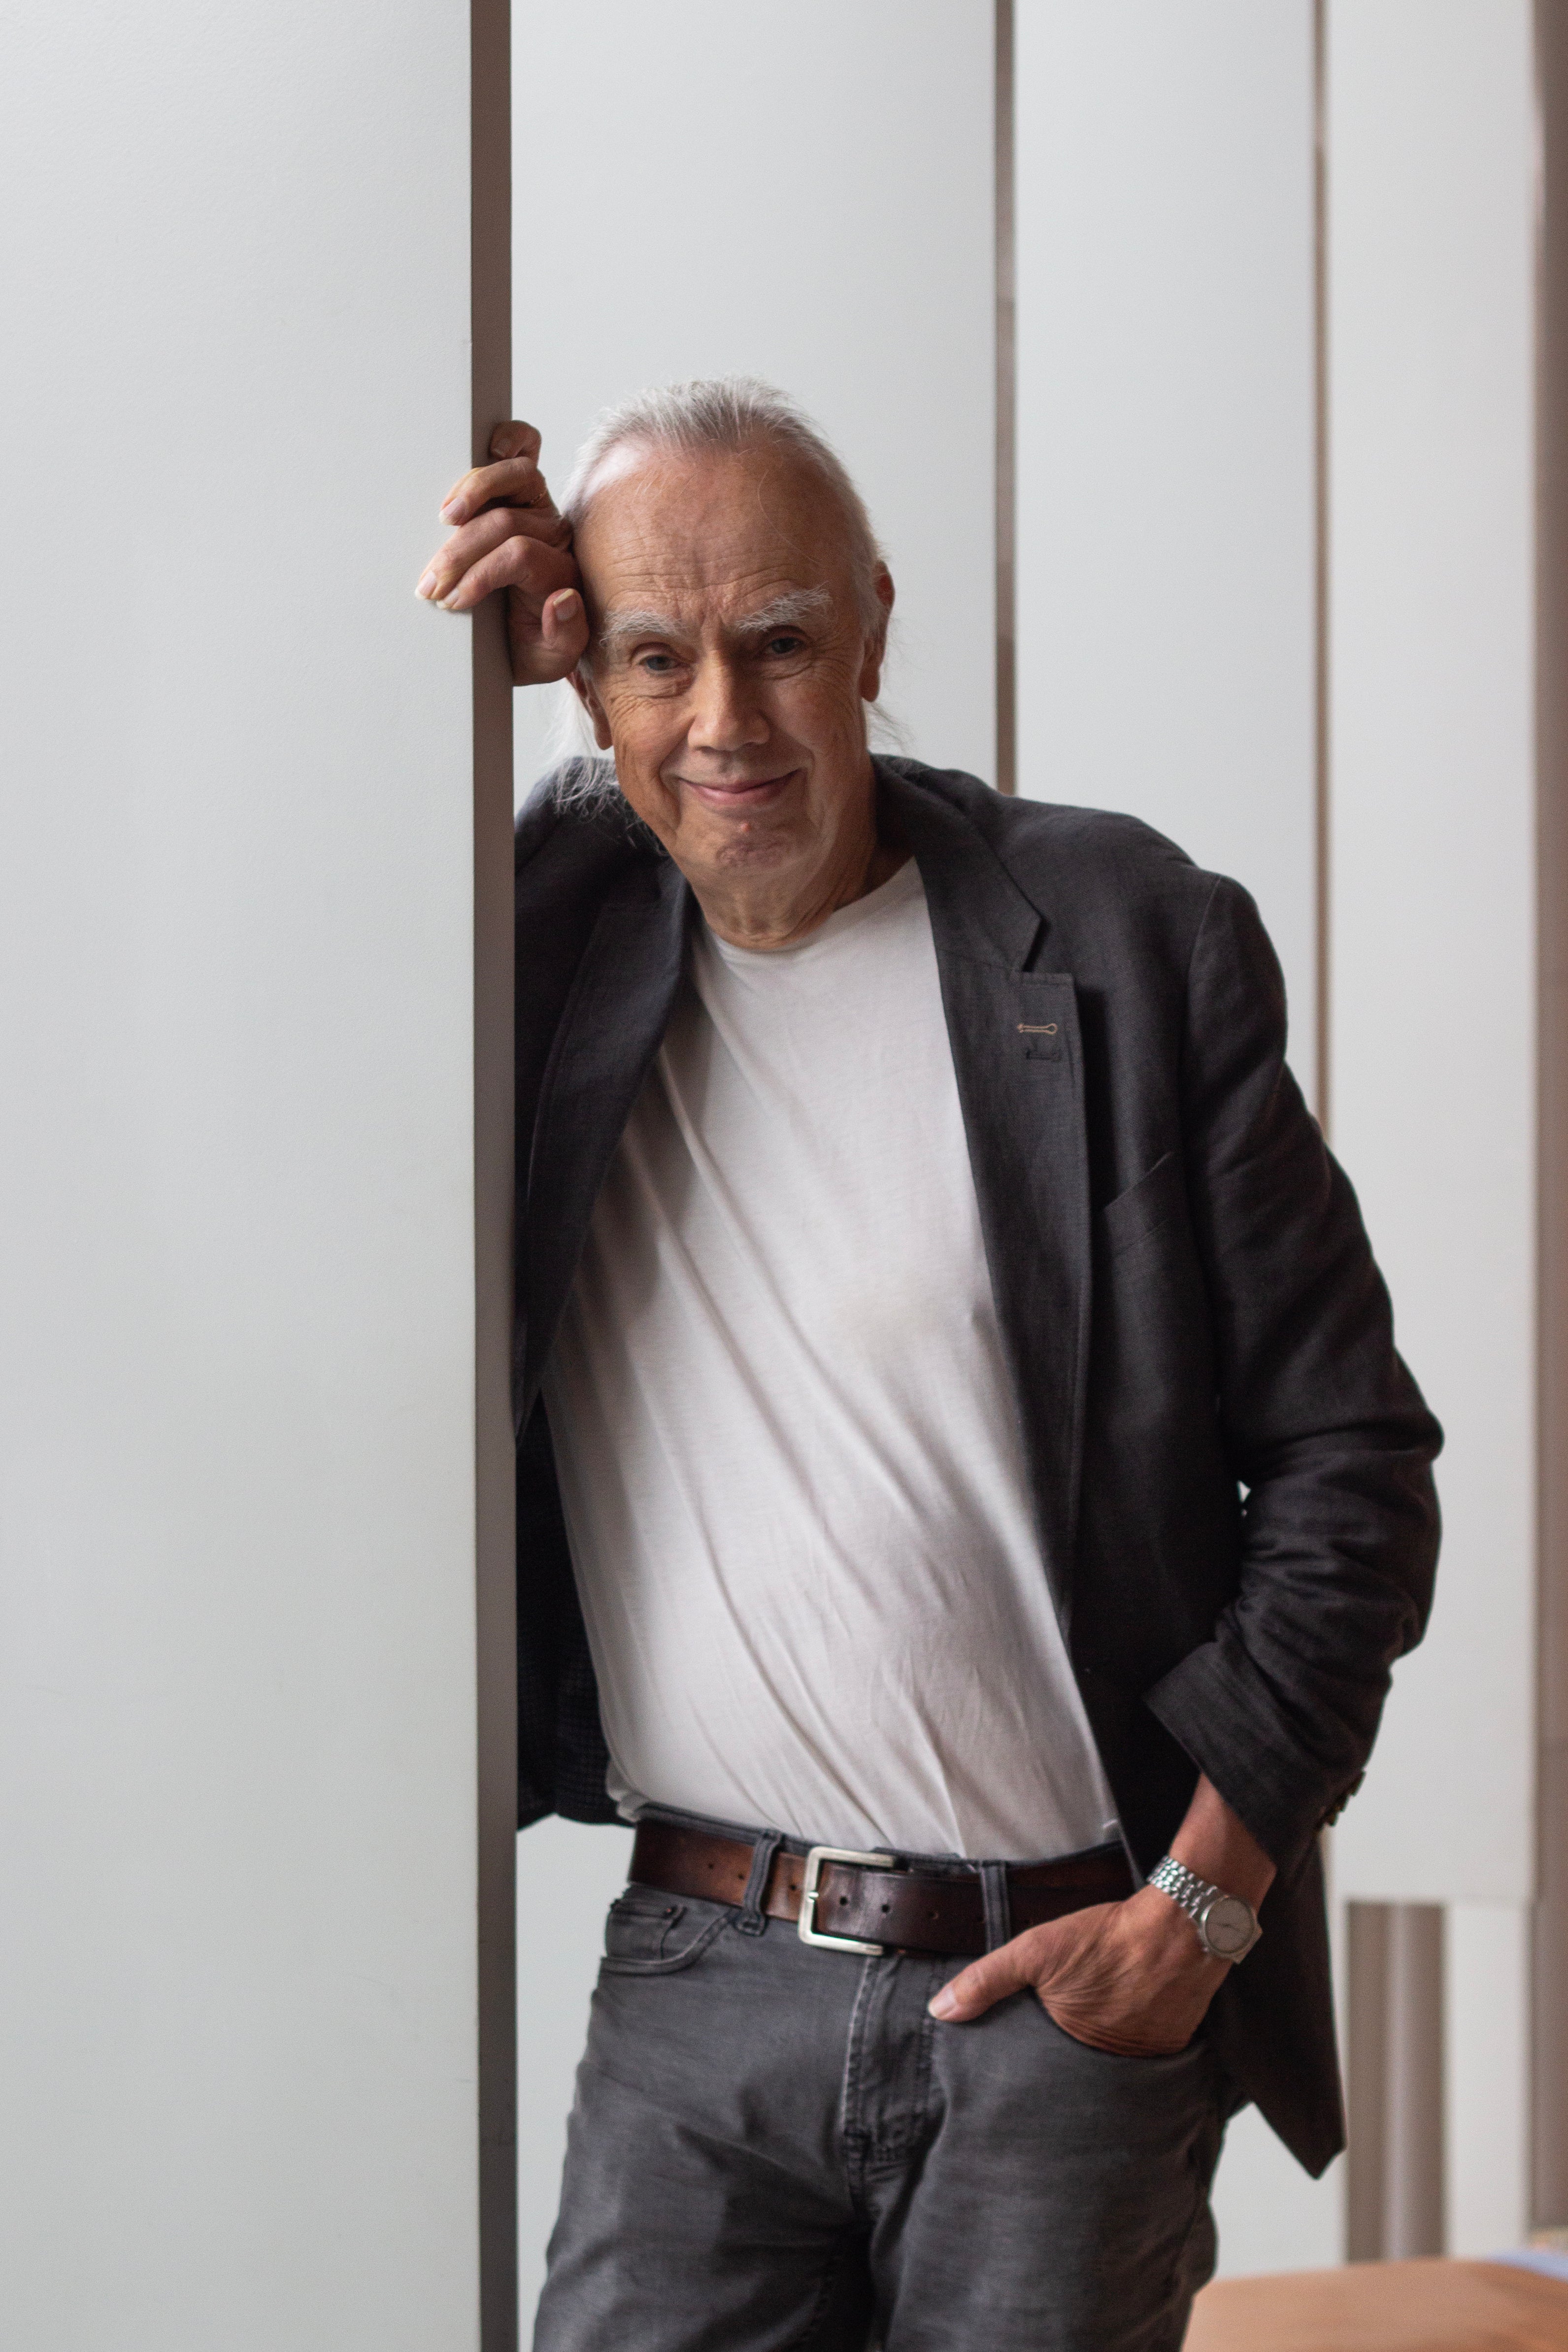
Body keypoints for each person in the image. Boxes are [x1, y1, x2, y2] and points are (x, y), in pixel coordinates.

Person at [418, 378, 1441, 2352]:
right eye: (658, 657)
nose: (726, 719)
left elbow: (1350, 1466)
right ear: (590, 679)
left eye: (781, 642)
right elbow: (284, 955)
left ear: (874, 627)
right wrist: (462, 682)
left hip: (1062, 1992)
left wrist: (1196, 1913)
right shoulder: (547, 946)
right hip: (698, 1982)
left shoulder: (1125, 940)